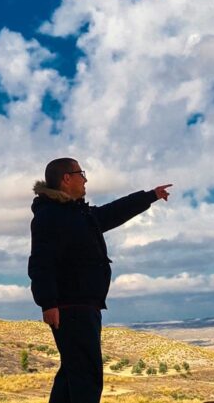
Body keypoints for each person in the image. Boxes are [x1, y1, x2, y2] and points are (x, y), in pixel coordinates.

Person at [27, 157, 171, 403]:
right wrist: (48, 302)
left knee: (73, 371)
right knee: (86, 375)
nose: (85, 179)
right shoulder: (51, 216)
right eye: (81, 173)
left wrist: (149, 196)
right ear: (66, 179)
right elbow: (41, 261)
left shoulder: (77, 214)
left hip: (83, 305)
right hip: (71, 306)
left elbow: (112, 213)